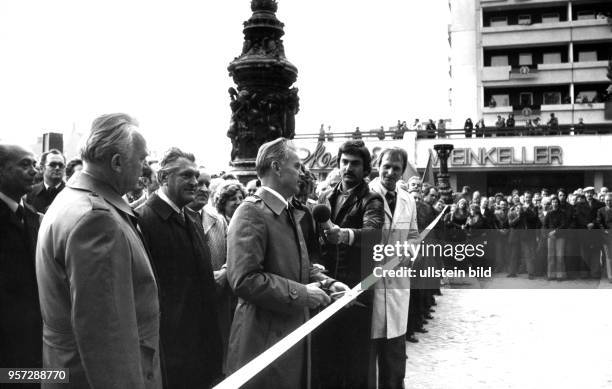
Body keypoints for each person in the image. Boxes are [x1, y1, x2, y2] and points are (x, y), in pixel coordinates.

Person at [36, 113, 162, 388]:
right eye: (141, 159)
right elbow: (108, 338)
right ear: (117, 162)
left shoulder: (70, 199)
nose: (144, 168)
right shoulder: (98, 220)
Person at [226, 138, 344, 389]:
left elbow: (299, 264)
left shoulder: (289, 211)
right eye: (297, 166)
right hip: (263, 342)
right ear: (276, 167)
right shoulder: (251, 212)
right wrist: (302, 294)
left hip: (287, 335)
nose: (302, 173)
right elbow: (244, 279)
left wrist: (327, 283)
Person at [137, 148, 222, 388]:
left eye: (196, 176)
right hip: (171, 355)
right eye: (186, 176)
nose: (195, 182)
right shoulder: (143, 220)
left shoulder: (191, 217)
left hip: (200, 348)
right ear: (163, 178)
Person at [314, 140, 384, 389]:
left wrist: (344, 234)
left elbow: (374, 234)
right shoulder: (325, 196)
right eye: (344, 162)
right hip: (326, 287)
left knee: (355, 361)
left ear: (365, 169)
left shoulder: (372, 199)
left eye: (355, 163)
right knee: (325, 358)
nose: (348, 168)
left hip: (357, 289)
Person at [369, 148, 418, 389]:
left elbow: (413, 235)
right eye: (386, 166)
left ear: (402, 172)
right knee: (368, 362)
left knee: (395, 364)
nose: (390, 172)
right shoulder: (365, 194)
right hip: (371, 287)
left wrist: (410, 253)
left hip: (398, 287)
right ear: (377, 165)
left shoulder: (408, 199)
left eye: (396, 168)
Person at [0, 144, 42, 372]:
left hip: (30, 332)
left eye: (35, 164)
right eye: (25, 164)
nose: (34, 171)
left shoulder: (31, 215)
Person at [26, 148, 66, 213]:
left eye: (61, 165)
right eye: (52, 164)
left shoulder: (70, 193)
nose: (57, 168)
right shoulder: (30, 192)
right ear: (42, 168)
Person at [544, 197, 568, 280]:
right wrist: (548, 233)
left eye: (556, 202)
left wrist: (555, 231)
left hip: (560, 236)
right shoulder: (549, 213)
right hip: (550, 237)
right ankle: (551, 275)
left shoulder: (563, 213)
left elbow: (564, 225)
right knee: (550, 256)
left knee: (560, 256)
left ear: (558, 203)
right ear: (551, 204)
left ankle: (560, 275)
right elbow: (544, 225)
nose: (555, 204)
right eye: (553, 202)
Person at [597, 193, 612, 283]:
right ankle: (610, 276)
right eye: (607, 200)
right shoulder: (601, 210)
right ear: (604, 201)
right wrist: (604, 230)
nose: (609, 202)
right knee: (608, 255)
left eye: (610, 200)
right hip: (606, 235)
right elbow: (599, 223)